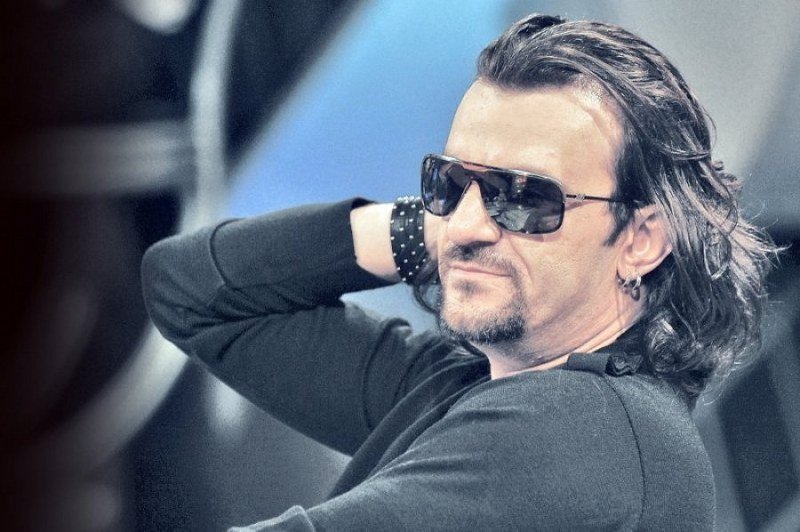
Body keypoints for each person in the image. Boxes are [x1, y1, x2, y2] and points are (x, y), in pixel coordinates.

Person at [141, 13, 777, 531]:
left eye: (526, 196)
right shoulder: (463, 389)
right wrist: (439, 225)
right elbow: (187, 290)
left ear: (641, 241)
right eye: (449, 183)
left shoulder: (591, 427)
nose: (468, 226)